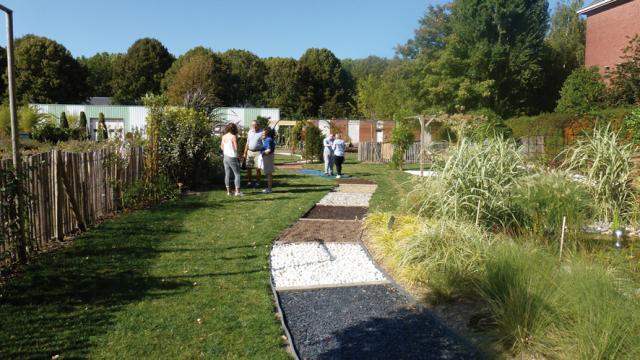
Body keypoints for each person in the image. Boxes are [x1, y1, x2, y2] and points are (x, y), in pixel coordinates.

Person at [221, 123, 243, 196]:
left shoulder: (224, 136)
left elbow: (221, 147)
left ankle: (228, 192)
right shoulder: (233, 136)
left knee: (227, 174)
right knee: (237, 174)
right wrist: (239, 156)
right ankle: (238, 192)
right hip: (232, 157)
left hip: (225, 157)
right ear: (234, 129)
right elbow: (236, 148)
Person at [243, 120, 263, 188]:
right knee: (249, 168)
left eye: (255, 125)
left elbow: (264, 143)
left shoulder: (261, 132)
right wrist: (245, 153)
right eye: (252, 125)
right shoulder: (250, 132)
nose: (253, 126)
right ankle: (249, 182)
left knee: (258, 168)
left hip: (258, 152)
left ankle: (257, 183)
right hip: (249, 152)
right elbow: (247, 143)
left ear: (258, 125)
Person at [260, 127, 276, 193]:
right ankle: (269, 188)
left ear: (267, 134)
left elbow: (268, 150)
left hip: (268, 157)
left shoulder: (268, 140)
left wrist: (263, 153)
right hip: (269, 157)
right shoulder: (268, 139)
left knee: (269, 173)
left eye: (263, 134)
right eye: (262, 134)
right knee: (268, 173)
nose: (262, 135)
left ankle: (269, 189)